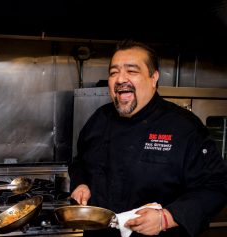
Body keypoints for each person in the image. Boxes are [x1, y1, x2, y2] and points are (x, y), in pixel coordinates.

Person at [68, 40, 227, 237]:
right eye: (113, 72)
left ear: (153, 78)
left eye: (132, 71)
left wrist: (166, 218)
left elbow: (216, 186)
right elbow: (80, 162)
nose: (120, 79)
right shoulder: (99, 119)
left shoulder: (184, 127)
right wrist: (81, 183)